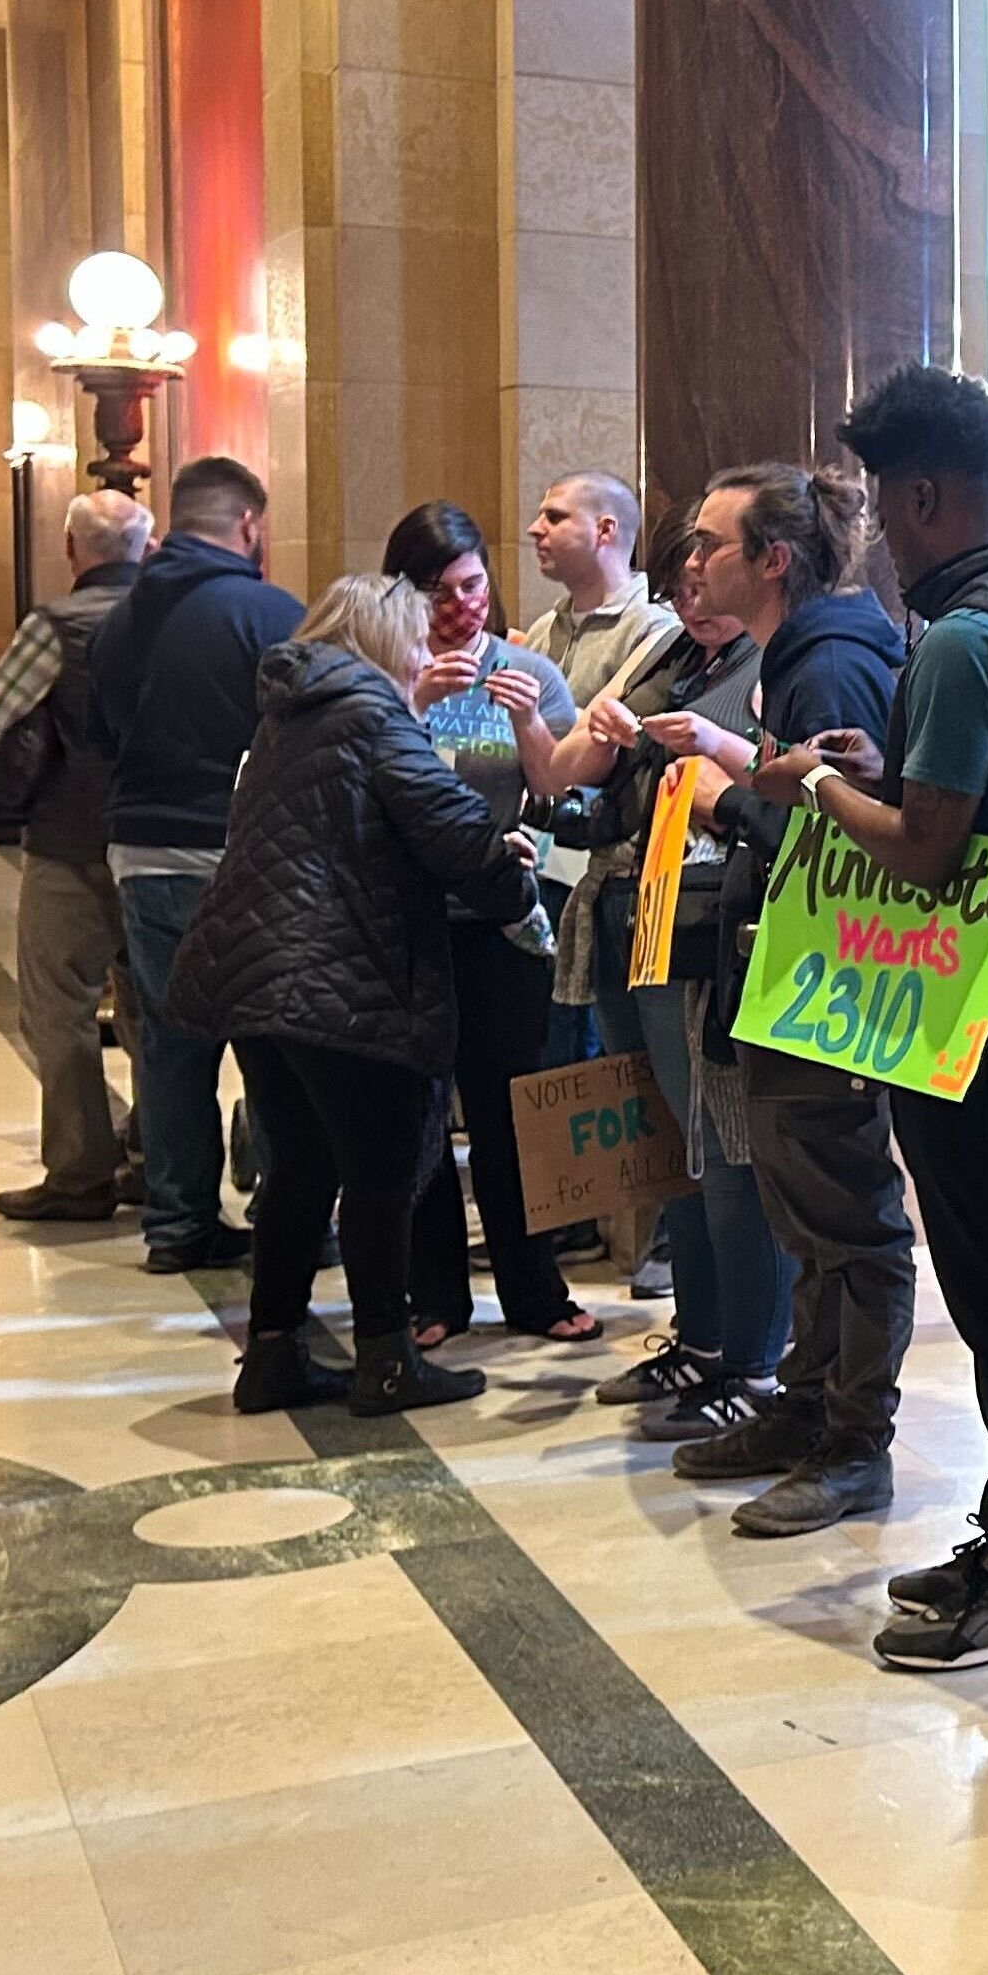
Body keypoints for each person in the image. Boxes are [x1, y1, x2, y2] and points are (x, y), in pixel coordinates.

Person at [777, 363, 988, 1670]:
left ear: (918, 494)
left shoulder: (967, 633)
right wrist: (886, 769)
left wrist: (815, 789)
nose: (864, 523)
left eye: (871, 497)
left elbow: (925, 852)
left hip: (979, 1000)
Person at [168, 574, 544, 1418]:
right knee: (381, 1168)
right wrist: (509, 878)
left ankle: (271, 1353)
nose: (424, 655)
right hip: (341, 975)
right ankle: (386, 1357)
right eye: (415, 639)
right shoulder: (373, 714)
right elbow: (447, 823)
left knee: (300, 1167)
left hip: (257, 971)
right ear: (381, 643)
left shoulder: (288, 716)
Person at [654, 464, 916, 1538]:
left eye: (710, 543)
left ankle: (855, 1441)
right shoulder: (802, 657)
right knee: (803, 1212)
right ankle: (804, 1406)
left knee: (849, 1216)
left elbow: (850, 841)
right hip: (789, 978)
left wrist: (728, 802)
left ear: (772, 559)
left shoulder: (835, 663)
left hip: (832, 985)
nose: (690, 562)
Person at [542, 525, 793, 1442]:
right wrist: (593, 731)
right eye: (681, 572)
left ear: (766, 562)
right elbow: (563, 765)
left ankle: (753, 1357)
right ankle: (702, 1332)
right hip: (631, 904)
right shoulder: (669, 648)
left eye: (706, 564)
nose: (688, 584)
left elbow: (790, 787)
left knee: (723, 1145)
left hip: (705, 920)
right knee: (672, 1148)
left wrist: (717, 743)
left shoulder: (786, 655)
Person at [385, 499, 598, 1347]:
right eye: (439, 593)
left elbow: (555, 792)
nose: (460, 606)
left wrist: (524, 718)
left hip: (504, 920)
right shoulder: (386, 667)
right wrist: (407, 700)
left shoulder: (529, 669)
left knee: (510, 1107)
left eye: (471, 585)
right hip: (410, 921)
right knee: (421, 1108)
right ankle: (435, 1292)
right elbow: (362, 778)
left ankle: (533, 1288)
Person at [90, 456, 306, 1274]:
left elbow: (99, 728)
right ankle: (287, 1210)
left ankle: (178, 1222)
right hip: (239, 851)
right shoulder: (265, 610)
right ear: (248, 524)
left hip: (140, 853)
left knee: (173, 1041)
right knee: (273, 1038)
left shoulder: (118, 620)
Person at [0, 490, 157, 1219]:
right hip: (164, 844)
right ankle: (156, 1155)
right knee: (156, 1010)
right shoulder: (178, 620)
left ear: (73, 549)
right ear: (146, 545)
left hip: (72, 841)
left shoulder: (57, 623)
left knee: (60, 1006)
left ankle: (79, 1171)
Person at [521, 470, 678, 702]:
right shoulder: (542, 630)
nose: (533, 529)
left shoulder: (655, 626)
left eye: (554, 518)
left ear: (604, 530)